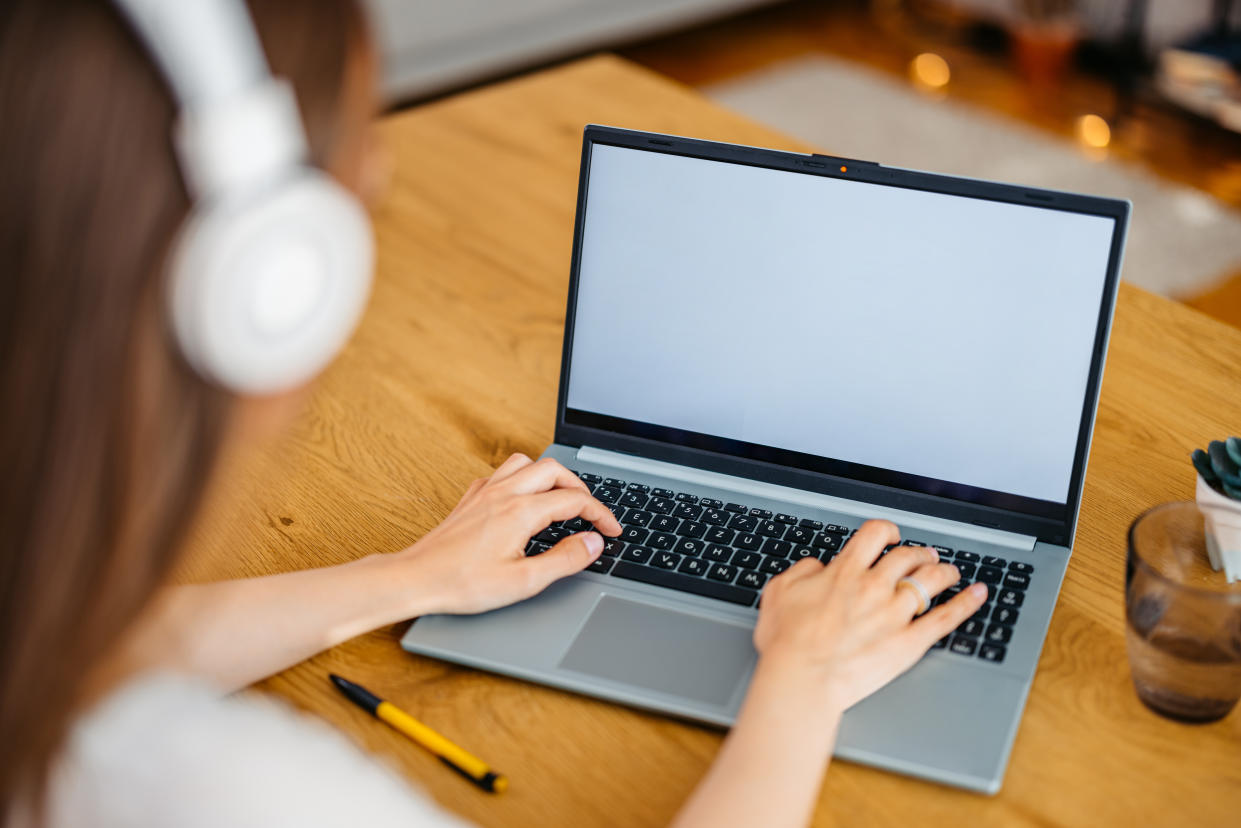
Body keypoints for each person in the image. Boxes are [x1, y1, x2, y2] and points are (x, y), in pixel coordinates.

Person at [0, 1, 987, 825]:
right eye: (361, 200)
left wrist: (400, 578)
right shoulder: (214, 788)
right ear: (271, 289)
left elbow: (97, 653)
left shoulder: (37, 632)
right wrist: (802, 683)